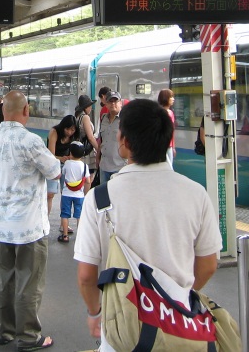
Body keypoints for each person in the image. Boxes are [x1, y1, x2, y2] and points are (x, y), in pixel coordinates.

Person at [74, 99, 221, 349]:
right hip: (180, 327)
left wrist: (95, 313)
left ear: (125, 142)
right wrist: (174, 297)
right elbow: (208, 265)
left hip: (123, 328)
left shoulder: (98, 198)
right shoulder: (196, 194)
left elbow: (86, 276)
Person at [0, 90, 60, 351]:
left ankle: (6, 331)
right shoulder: (31, 141)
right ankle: (28, 337)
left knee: (5, 279)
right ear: (26, 111)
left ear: (3, 111)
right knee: (29, 282)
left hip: (0, 226)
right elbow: (55, 171)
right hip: (29, 227)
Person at [58, 141, 91, 244]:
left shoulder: (67, 164)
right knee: (79, 215)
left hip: (66, 194)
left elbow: (63, 173)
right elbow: (88, 181)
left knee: (65, 214)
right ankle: (80, 237)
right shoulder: (84, 166)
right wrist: (85, 193)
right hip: (79, 195)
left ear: (70, 153)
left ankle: (65, 236)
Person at [46, 114, 77, 216]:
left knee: (66, 193)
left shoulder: (74, 136)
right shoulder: (54, 132)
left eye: (72, 130)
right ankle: (45, 218)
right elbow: (50, 154)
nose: (69, 132)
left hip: (66, 165)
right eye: (67, 129)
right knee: (50, 194)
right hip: (53, 164)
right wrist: (60, 158)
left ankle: (64, 220)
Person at [96, 91, 126, 185]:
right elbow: (101, 140)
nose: (113, 104)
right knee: (103, 193)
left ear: (120, 103)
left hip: (119, 167)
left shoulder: (125, 120)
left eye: (115, 101)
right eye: (110, 101)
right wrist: (97, 157)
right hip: (104, 166)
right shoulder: (103, 118)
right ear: (106, 104)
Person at [157, 88, 178, 165]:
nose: (173, 99)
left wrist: (173, 147)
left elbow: (172, 131)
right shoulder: (159, 113)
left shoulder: (171, 113)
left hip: (169, 145)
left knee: (169, 166)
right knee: (168, 167)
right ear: (165, 98)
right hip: (161, 146)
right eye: (171, 97)